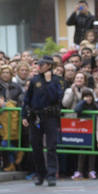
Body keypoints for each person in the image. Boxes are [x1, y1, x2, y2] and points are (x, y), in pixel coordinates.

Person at [22, 56, 63, 186]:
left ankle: (51, 175)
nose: (39, 66)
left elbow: (55, 98)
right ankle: (40, 174)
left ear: (49, 65)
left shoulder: (56, 81)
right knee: (36, 147)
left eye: (42, 64)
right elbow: (27, 100)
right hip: (36, 117)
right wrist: (24, 116)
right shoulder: (34, 80)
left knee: (51, 146)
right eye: (39, 64)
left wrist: (49, 82)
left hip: (50, 117)